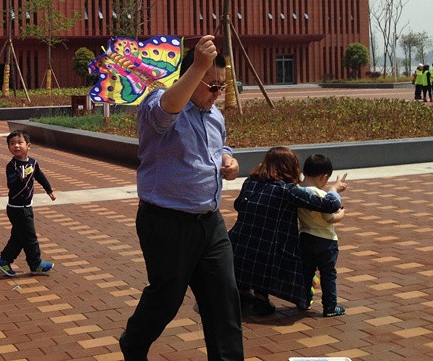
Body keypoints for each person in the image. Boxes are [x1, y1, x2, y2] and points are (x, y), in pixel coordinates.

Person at [120, 35, 243, 361]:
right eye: (212, 86)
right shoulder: (159, 104)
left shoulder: (214, 115)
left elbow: (220, 146)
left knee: (224, 299)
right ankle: (134, 343)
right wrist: (199, 64)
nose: (217, 94)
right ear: (192, 75)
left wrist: (228, 160)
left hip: (210, 222)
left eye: (222, 87)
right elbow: (166, 111)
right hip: (167, 222)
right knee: (167, 297)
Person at [228, 147, 346, 315]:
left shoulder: (250, 181)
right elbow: (330, 205)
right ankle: (261, 299)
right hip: (268, 255)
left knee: (257, 243)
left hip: (237, 247)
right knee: (269, 247)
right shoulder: (286, 189)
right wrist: (334, 190)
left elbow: (238, 205)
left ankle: (242, 292)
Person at [0, 130, 56, 277]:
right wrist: (21, 177)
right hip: (16, 209)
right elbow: (11, 184)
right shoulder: (12, 166)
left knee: (19, 237)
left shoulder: (33, 163)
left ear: (28, 145)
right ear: (9, 147)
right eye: (12, 143)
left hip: (27, 207)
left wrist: (49, 190)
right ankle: (36, 264)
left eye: (19, 142)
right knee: (29, 237)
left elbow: (40, 176)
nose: (16, 146)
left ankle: (4, 260)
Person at [298, 154, 347, 317]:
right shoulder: (320, 195)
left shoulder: (297, 190)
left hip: (305, 237)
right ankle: (330, 306)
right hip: (326, 241)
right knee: (328, 274)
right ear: (324, 177)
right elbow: (330, 218)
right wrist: (342, 213)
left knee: (306, 272)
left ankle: (304, 300)